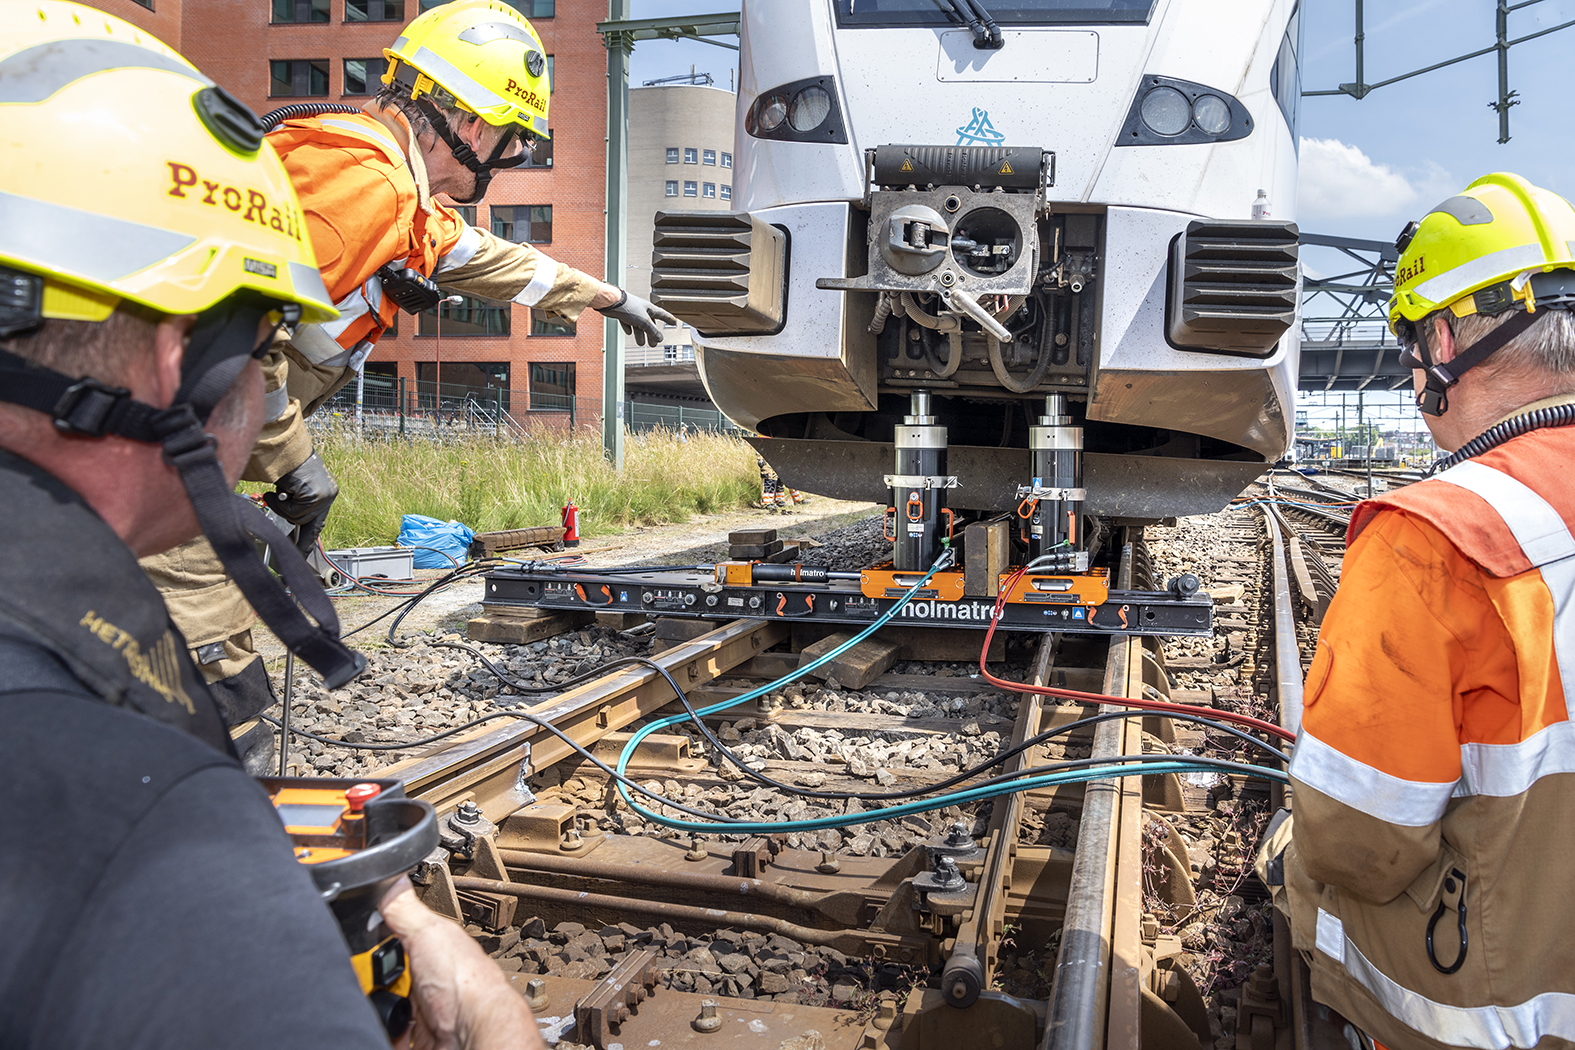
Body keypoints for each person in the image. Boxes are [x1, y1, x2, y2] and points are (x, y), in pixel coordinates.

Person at [0, 7, 541, 1047]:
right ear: (180, 366)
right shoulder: (154, 828)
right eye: (263, 335)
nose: (274, 372)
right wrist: (496, 1027)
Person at [140, 0, 678, 768]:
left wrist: (604, 297)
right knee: (206, 676)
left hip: (176, 450)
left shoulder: (393, 190)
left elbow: (490, 261)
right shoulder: (363, 182)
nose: (508, 160)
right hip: (157, 459)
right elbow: (226, 332)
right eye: (513, 143)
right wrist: (292, 461)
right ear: (471, 122)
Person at [1263, 173, 1575, 1050]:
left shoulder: (1434, 539)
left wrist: (1300, 841)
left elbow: (1362, 845)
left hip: (1505, 1011)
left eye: (1408, 342)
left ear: (1441, 339)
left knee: (1303, 864)